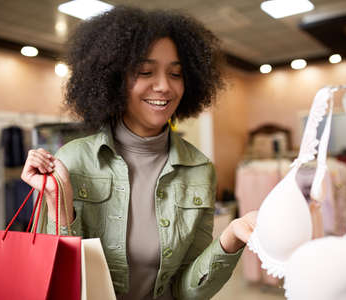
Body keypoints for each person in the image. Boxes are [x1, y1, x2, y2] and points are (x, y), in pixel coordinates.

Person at [21, 5, 256, 300]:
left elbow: (186, 291)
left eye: (176, 74)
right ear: (114, 79)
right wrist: (59, 204)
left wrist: (230, 238)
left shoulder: (199, 169)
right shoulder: (72, 160)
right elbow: (57, 279)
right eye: (145, 72)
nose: (164, 86)